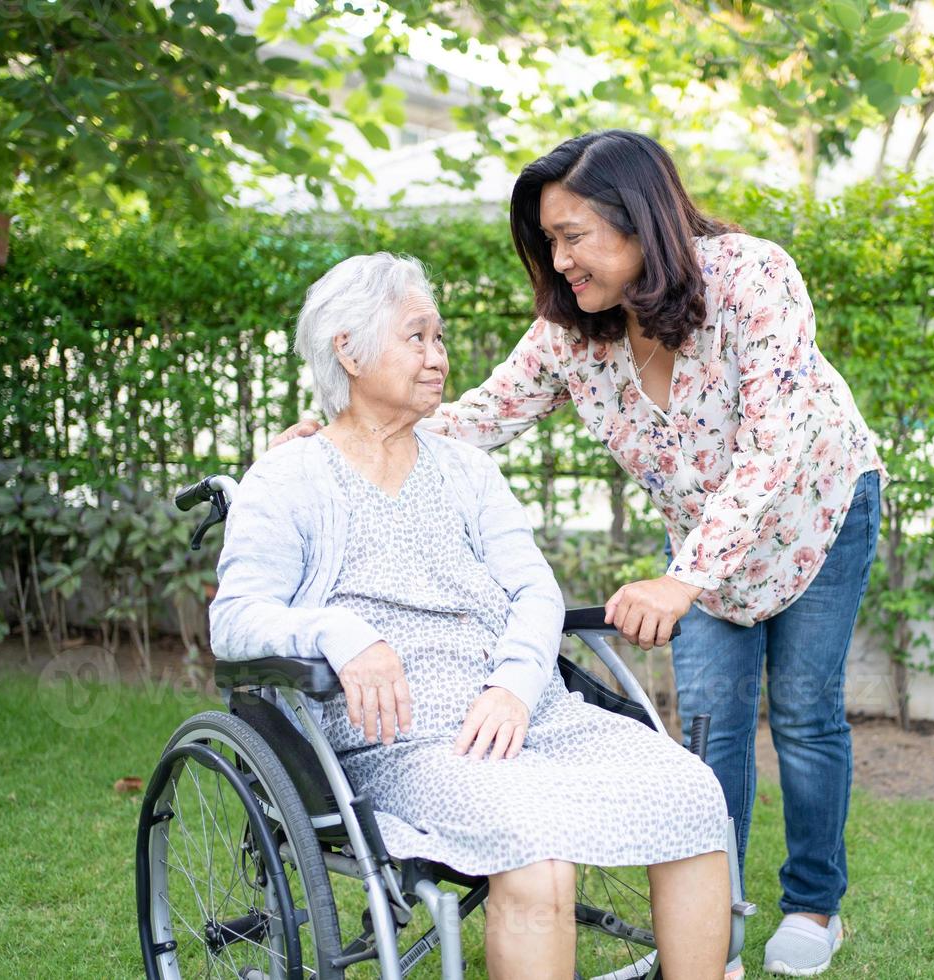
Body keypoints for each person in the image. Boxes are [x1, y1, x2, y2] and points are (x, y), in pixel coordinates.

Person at [279, 131, 883, 978]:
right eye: (549, 241)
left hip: (816, 508)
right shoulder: (575, 332)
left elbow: (774, 449)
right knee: (709, 727)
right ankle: (719, 924)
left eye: (574, 235)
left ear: (641, 220)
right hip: (701, 543)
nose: (559, 260)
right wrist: (342, 438)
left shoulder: (753, 278)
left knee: (806, 716)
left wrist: (684, 578)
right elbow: (475, 420)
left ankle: (815, 905)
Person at [215, 252, 732, 980]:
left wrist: (515, 687)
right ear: (348, 351)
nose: (439, 357)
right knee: (532, 849)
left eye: (439, 338)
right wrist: (341, 632)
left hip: (528, 711)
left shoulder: (466, 469)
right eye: (417, 338)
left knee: (688, 789)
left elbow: (535, 592)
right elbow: (237, 617)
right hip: (403, 738)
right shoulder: (289, 477)